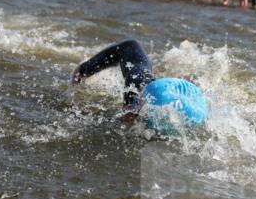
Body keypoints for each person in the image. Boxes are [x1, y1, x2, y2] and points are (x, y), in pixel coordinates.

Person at [71, 39, 207, 134]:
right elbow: (122, 120)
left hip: (151, 78)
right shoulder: (135, 87)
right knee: (82, 72)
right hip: (127, 49)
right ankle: (78, 75)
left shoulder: (162, 99)